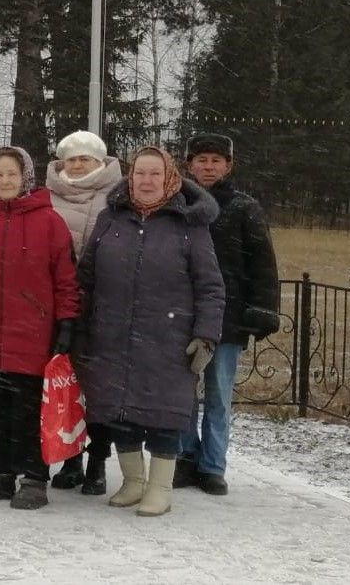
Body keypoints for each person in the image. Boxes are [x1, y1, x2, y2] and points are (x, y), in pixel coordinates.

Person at [76, 145, 225, 517]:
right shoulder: (111, 218)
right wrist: (80, 325)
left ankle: (159, 487)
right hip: (112, 333)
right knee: (119, 411)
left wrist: (206, 335)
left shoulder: (190, 225)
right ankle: (132, 481)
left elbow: (210, 286)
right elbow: (87, 277)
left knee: (164, 414)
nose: (146, 181)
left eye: (154, 174)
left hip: (169, 339)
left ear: (170, 177)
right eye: (140, 173)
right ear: (130, 177)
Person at [0, 146, 79, 510]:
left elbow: (66, 279)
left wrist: (67, 322)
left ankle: (34, 477)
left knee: (28, 408)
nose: (5, 181)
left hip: (32, 333)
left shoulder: (49, 221)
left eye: (12, 173)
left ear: (25, 176)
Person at [178, 132, 281, 496]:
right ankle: (185, 456)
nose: (208, 167)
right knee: (183, 391)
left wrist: (262, 308)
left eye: (216, 161)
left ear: (228, 166)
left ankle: (213, 464)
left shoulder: (243, 207)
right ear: (189, 163)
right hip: (184, 315)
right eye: (201, 160)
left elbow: (263, 262)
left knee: (219, 394)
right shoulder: (178, 202)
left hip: (228, 317)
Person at [44, 129, 123, 493]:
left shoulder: (118, 198)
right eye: (71, 158)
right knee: (65, 385)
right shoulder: (46, 196)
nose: (77, 165)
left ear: (99, 161)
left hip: (103, 305)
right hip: (57, 305)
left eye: (85, 159)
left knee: (100, 389)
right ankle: (71, 459)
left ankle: (98, 462)